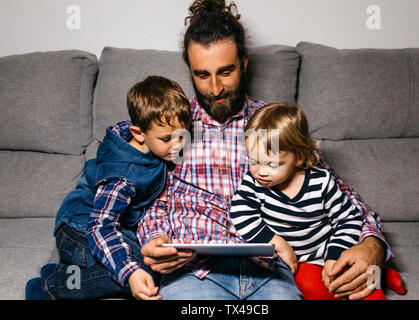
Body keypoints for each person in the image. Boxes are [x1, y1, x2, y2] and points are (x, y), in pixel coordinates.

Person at [139, 0, 394, 300]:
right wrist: (154, 239)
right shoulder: (170, 131)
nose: (216, 88)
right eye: (202, 75)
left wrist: (372, 245)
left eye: (225, 71)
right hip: (197, 274)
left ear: (244, 61)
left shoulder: (273, 124)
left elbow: (338, 196)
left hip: (270, 271)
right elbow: (149, 201)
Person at [25, 75, 192, 300]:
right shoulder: (123, 178)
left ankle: (62, 271)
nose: (178, 145)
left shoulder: (151, 144)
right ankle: (52, 286)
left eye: (182, 135)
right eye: (167, 139)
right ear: (138, 134)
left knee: (160, 261)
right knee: (144, 270)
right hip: (79, 230)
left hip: (113, 225)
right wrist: (130, 273)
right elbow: (100, 227)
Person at [230, 103, 387, 300]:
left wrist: (334, 256)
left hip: (330, 249)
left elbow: (349, 219)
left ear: (299, 156)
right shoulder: (253, 183)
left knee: (363, 288)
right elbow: (239, 212)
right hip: (299, 261)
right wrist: (276, 241)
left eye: (272, 164)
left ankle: (385, 276)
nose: (260, 171)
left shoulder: (321, 181)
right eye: (253, 161)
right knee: (315, 291)